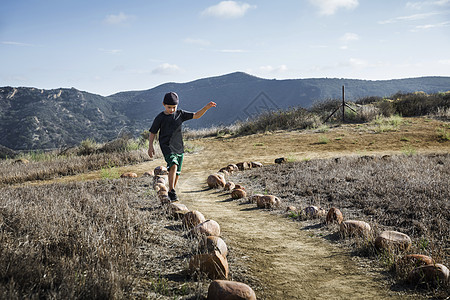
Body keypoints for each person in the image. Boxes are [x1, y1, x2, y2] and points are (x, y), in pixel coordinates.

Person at [148, 92, 216, 201]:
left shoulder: (180, 114)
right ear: (163, 104)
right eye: (169, 107)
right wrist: (150, 146)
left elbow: (196, 115)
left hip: (179, 146)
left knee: (177, 173)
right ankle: (172, 191)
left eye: (174, 107)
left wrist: (206, 108)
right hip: (166, 146)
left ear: (177, 105)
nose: (171, 110)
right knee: (173, 165)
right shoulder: (160, 117)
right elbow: (152, 132)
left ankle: (171, 191)